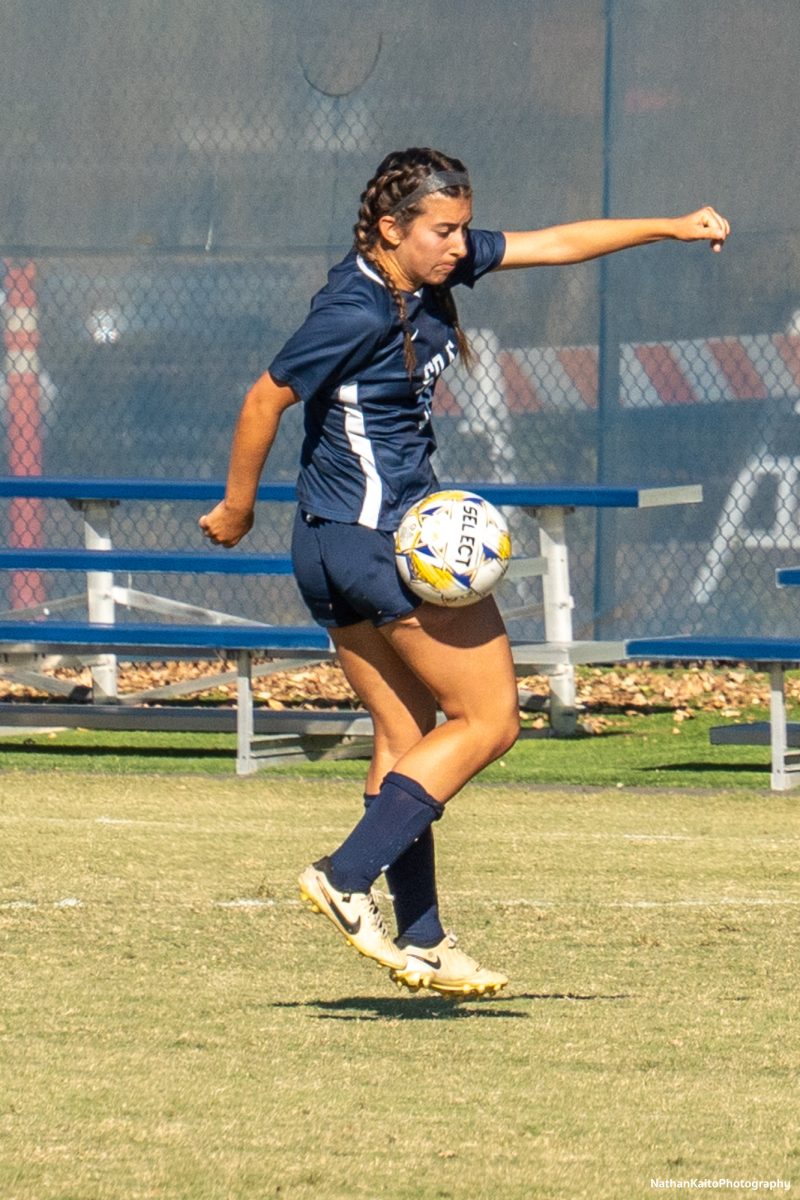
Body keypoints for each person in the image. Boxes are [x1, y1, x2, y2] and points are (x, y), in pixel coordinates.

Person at [200, 147, 729, 998]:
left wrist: (667, 225)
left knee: (409, 739)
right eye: (440, 231)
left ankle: (425, 939)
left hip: (333, 545)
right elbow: (266, 398)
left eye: (459, 227)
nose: (458, 245)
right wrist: (235, 506)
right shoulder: (356, 307)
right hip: (381, 547)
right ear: (389, 229)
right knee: (490, 718)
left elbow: (554, 243)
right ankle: (345, 875)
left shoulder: (423, 272)